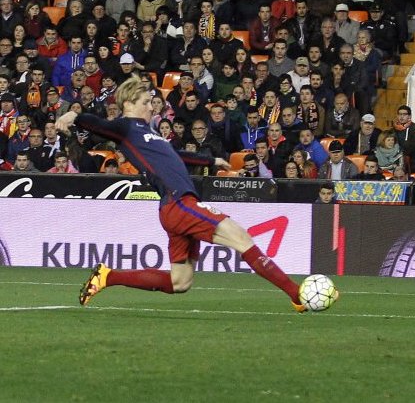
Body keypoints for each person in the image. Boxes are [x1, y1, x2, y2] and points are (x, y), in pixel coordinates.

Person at [55, 75, 315, 312]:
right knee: (241, 237)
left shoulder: (148, 133)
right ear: (131, 102)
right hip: (179, 202)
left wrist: (211, 162)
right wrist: (74, 116)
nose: (151, 106)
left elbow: (175, 156)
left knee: (180, 282)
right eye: (147, 101)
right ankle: (296, 294)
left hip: (174, 207)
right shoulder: (125, 127)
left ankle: (108, 276)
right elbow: (98, 124)